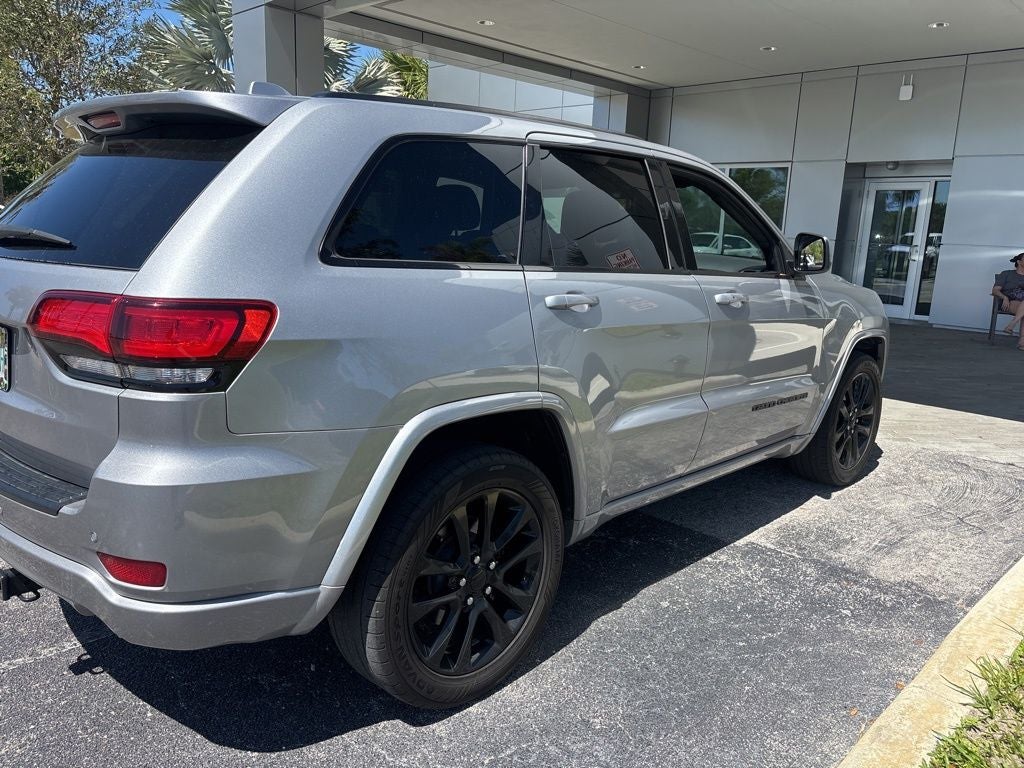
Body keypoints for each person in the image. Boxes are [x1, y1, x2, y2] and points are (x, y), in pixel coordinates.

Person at [994, 253, 1024, 349]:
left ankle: (1012, 324)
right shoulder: (1006, 273)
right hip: (1010, 302)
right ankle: (1022, 342)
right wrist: (1005, 298)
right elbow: (995, 290)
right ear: (1019, 262)